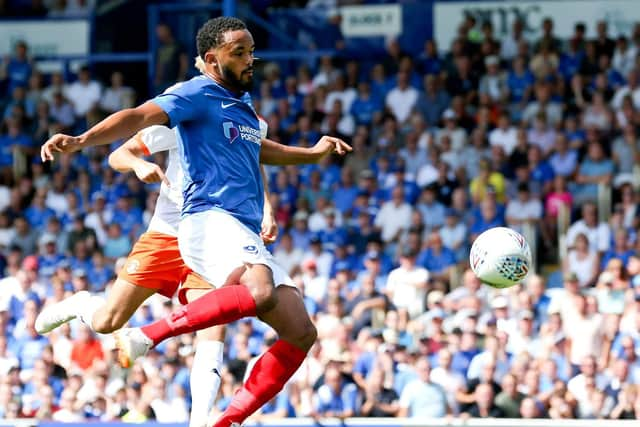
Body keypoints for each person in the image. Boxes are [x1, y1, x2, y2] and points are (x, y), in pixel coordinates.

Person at [40, 17, 351, 427]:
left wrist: (310, 155)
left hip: (237, 228)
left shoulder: (243, 108)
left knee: (300, 331)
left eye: (251, 51)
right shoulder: (192, 95)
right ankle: (143, 334)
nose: (250, 60)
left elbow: (257, 152)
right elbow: (136, 119)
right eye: (239, 53)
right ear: (211, 59)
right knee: (251, 292)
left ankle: (218, 422)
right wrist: (83, 141)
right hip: (201, 221)